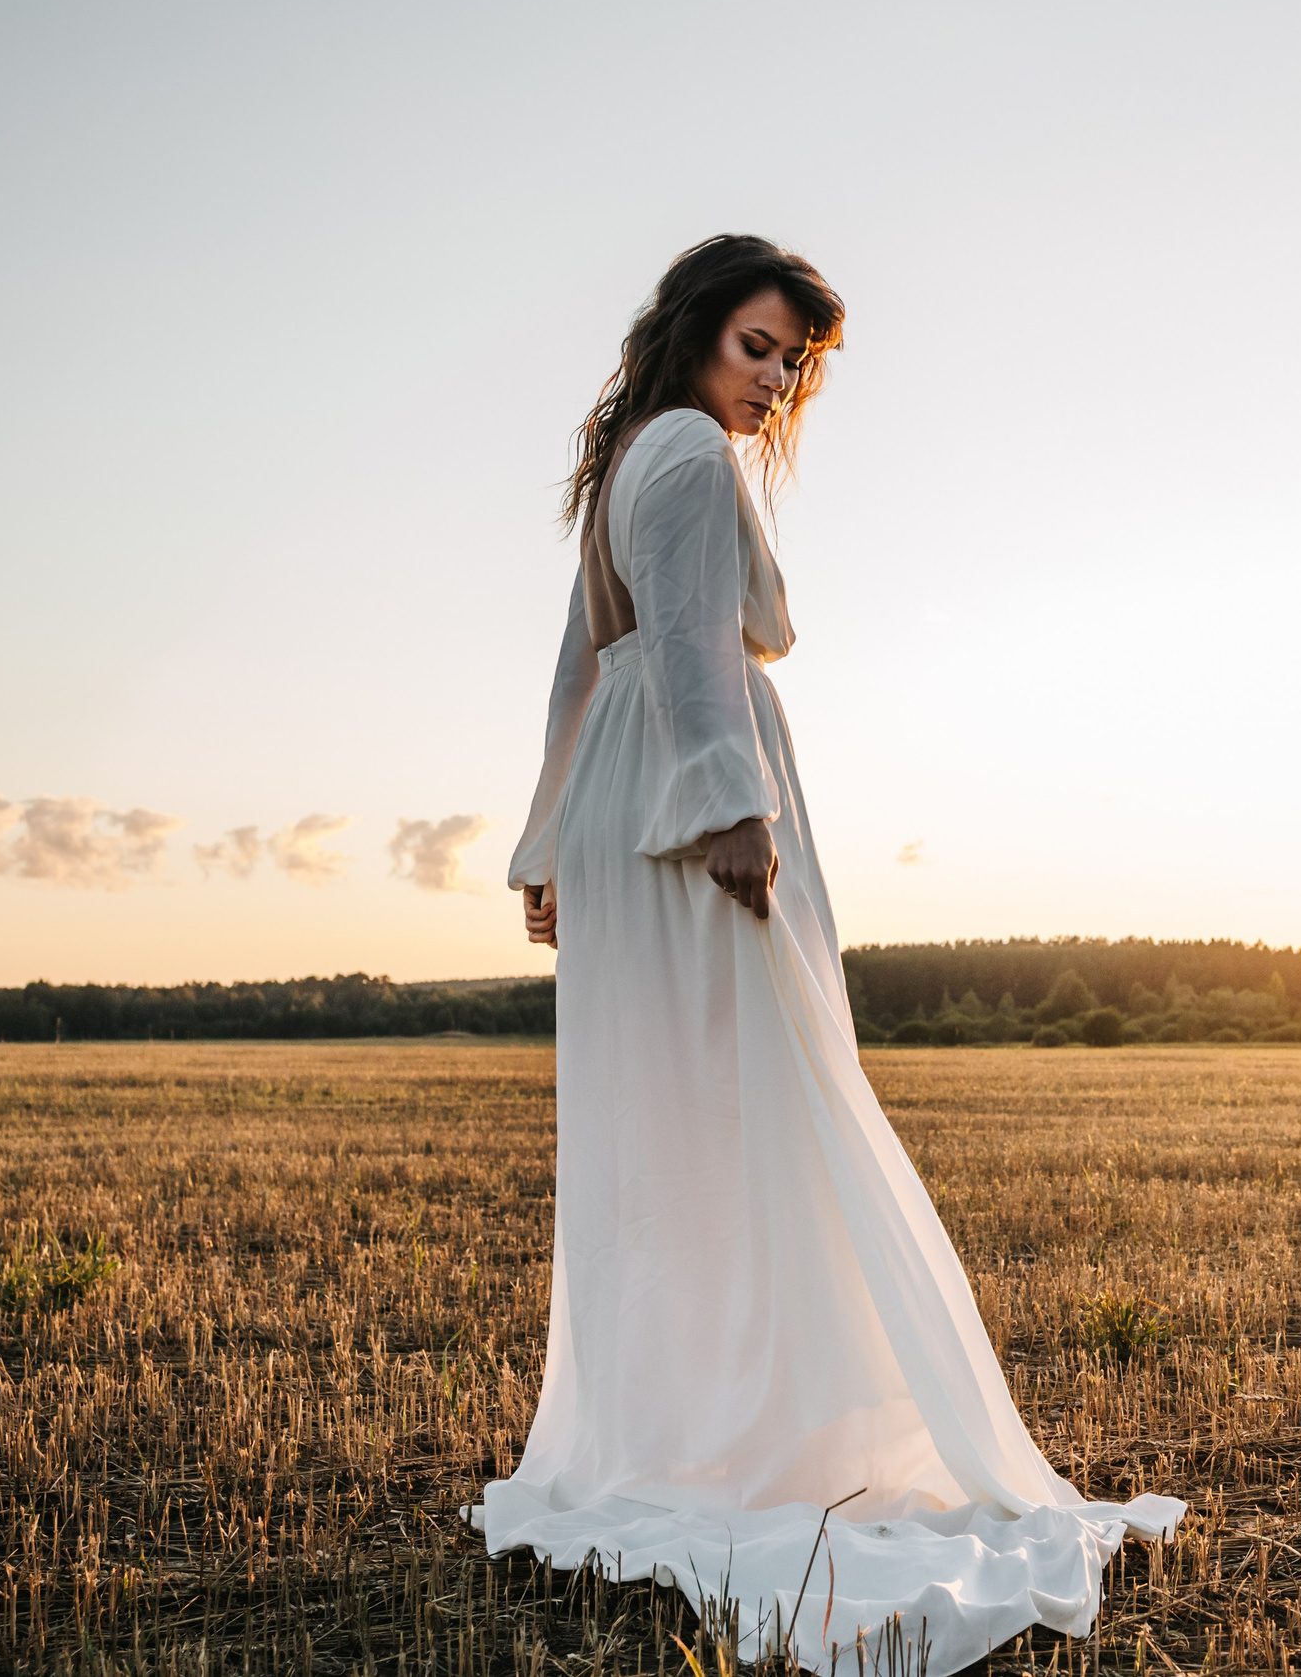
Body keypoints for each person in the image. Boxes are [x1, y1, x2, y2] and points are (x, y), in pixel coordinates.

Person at [472, 235, 1181, 1671]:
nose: (776, 378)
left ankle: (694, 1422)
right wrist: (729, 806)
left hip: (622, 803)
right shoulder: (684, 456)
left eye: (792, 360)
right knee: (763, 1101)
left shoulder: (631, 463)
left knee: (668, 1122)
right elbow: (682, 644)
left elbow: (577, 666)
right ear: (688, 336)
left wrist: (546, 843)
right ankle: (754, 1433)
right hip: (684, 801)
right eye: (757, 346)